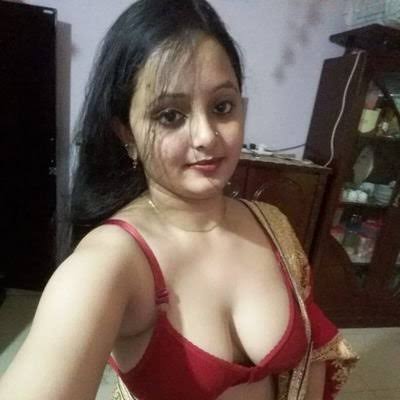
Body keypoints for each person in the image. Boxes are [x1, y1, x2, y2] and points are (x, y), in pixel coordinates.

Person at [0, 1, 358, 399]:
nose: (206, 136)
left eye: (222, 107)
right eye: (170, 115)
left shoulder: (271, 223)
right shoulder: (109, 263)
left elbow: (313, 355)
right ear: (126, 132)